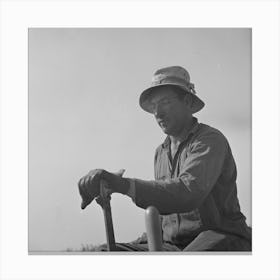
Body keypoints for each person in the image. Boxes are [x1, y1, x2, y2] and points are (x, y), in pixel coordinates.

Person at [78, 66, 252, 251]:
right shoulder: (161, 152)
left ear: (187, 101)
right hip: (174, 244)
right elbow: (163, 209)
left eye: (165, 102)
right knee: (106, 252)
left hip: (220, 235)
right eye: (154, 106)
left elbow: (187, 192)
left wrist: (122, 185)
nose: (157, 113)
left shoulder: (210, 141)